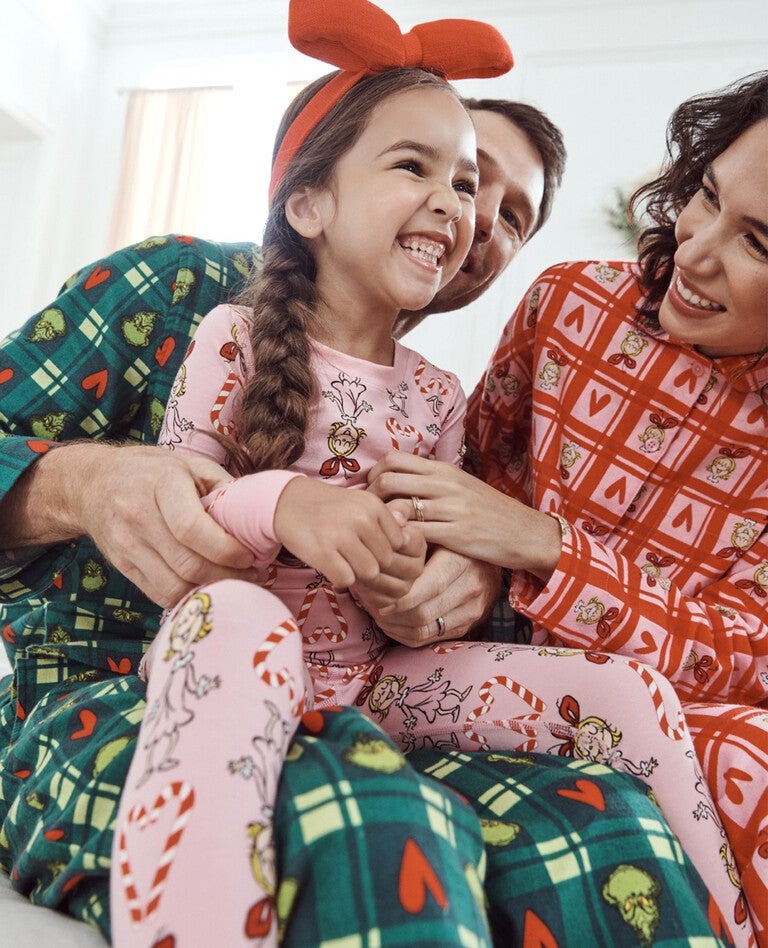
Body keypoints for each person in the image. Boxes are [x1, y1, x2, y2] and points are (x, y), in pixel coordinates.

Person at [109, 4, 745, 946]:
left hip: (381, 681)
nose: (458, 204)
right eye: (417, 168)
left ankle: (730, 928)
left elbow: (433, 565)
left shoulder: (441, 395)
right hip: (237, 649)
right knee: (234, 617)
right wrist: (288, 502)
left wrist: (419, 593)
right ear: (308, 202)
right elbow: (182, 499)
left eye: (467, 184)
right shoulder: (229, 336)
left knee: (628, 691)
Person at [369, 69, 768, 945]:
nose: (695, 251)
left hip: (681, 715)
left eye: (759, 244)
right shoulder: (572, 302)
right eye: (704, 195)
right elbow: (469, 475)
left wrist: (551, 547)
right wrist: (475, 558)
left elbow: (747, 657)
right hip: (470, 665)